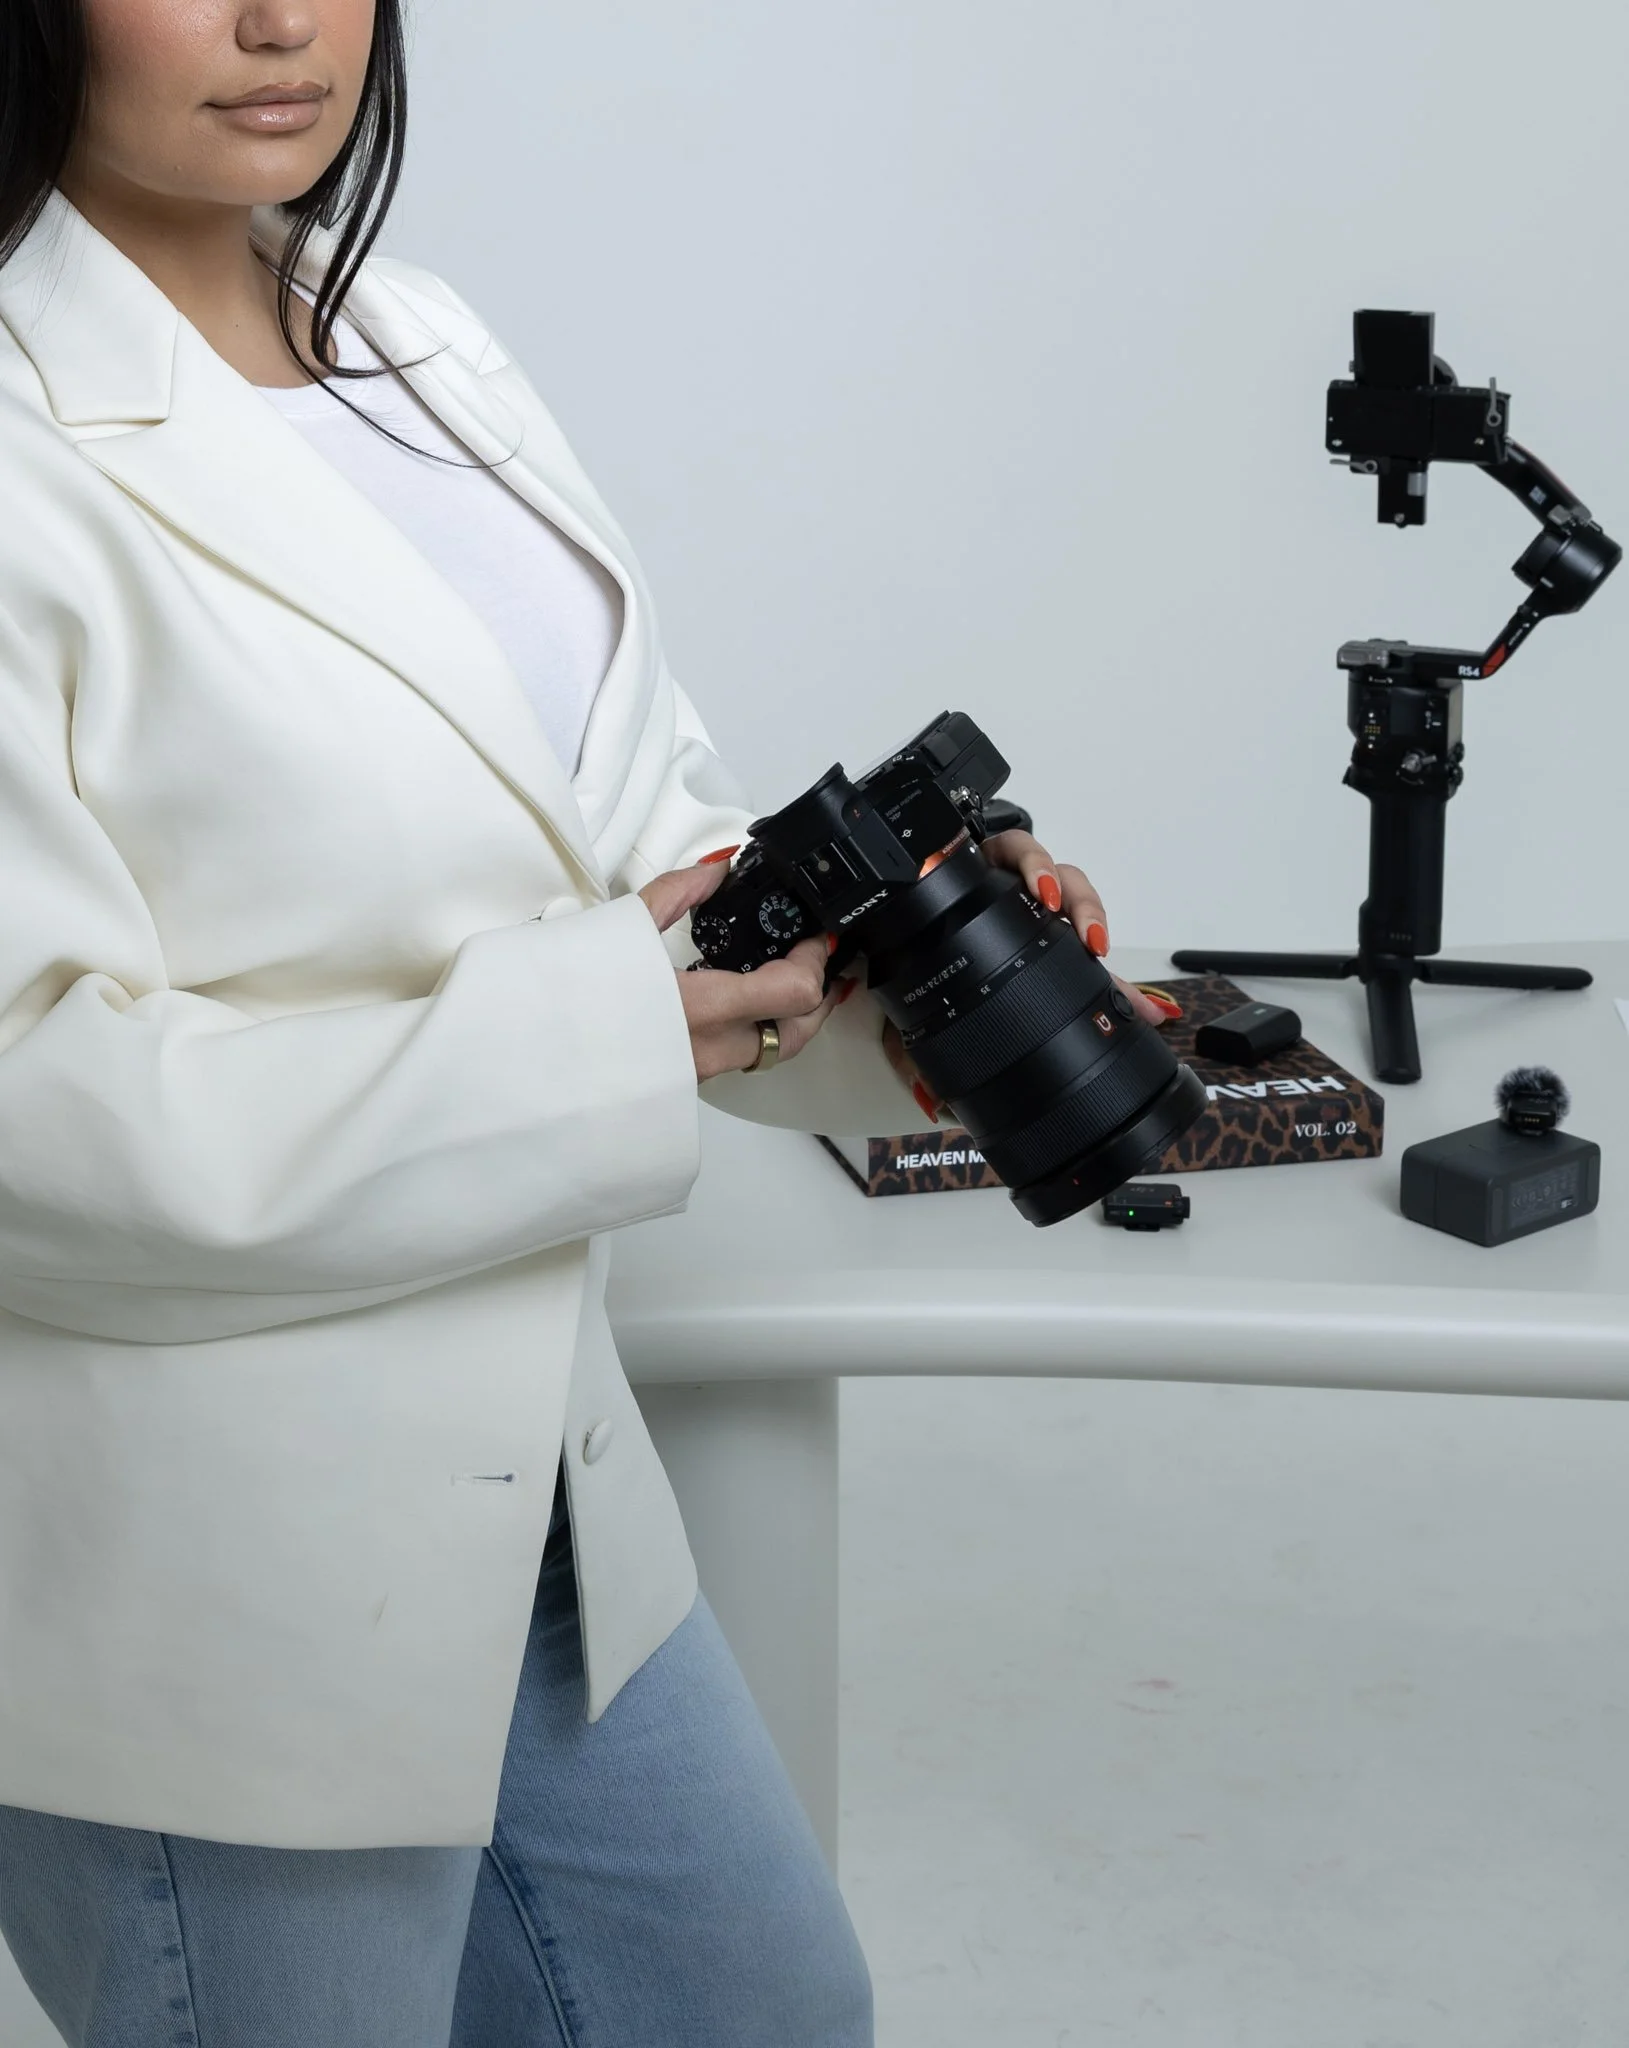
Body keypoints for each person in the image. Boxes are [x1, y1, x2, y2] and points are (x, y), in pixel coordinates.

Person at [0, 3, 1178, 2043]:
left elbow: (630, 854)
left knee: (757, 2008)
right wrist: (606, 1021)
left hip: (532, 1482)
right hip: (212, 1566)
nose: (279, 17)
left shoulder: (414, 348)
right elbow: (35, 1105)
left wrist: (882, 983)